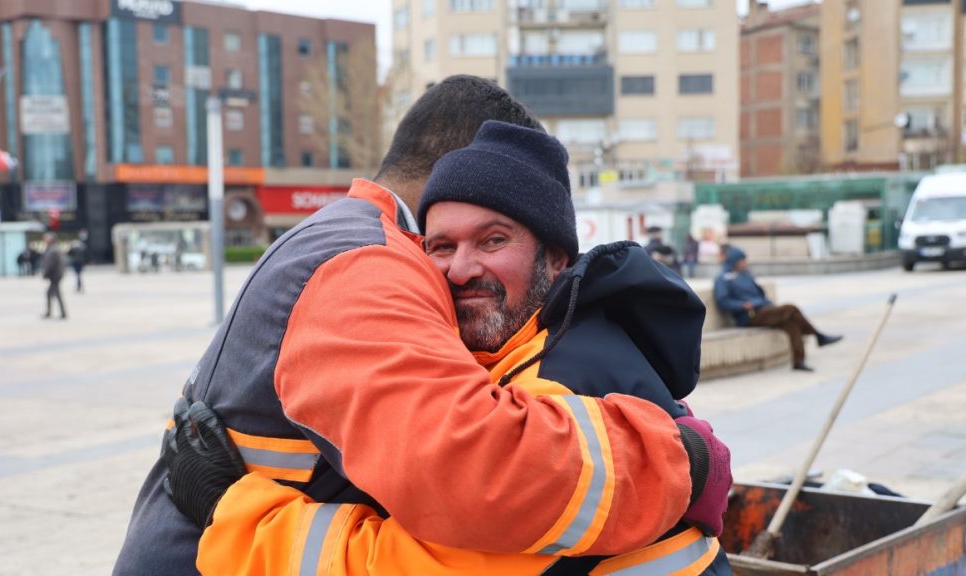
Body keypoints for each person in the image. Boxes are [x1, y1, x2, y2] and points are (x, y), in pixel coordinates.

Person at [114, 76, 730, 575]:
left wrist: (682, 463)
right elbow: (474, 480)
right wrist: (686, 464)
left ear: (557, 257)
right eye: (441, 245)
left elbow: (480, 483)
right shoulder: (366, 262)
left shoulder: (560, 364)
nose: (459, 268)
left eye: (494, 239)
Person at [714, 245, 842, 371]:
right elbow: (723, 302)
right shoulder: (723, 278)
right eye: (741, 260)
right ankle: (818, 336)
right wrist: (743, 305)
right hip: (749, 315)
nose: (744, 263)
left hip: (764, 309)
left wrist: (766, 303)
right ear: (734, 261)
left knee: (791, 323)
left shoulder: (746, 275)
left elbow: (761, 294)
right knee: (790, 309)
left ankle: (799, 361)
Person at [40, 233, 66, 320]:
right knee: (54, 294)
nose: (44, 240)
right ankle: (61, 313)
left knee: (52, 294)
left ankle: (57, 313)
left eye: (46, 238)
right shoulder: (53, 249)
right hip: (55, 275)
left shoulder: (53, 250)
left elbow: (50, 264)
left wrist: (45, 273)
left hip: (55, 276)